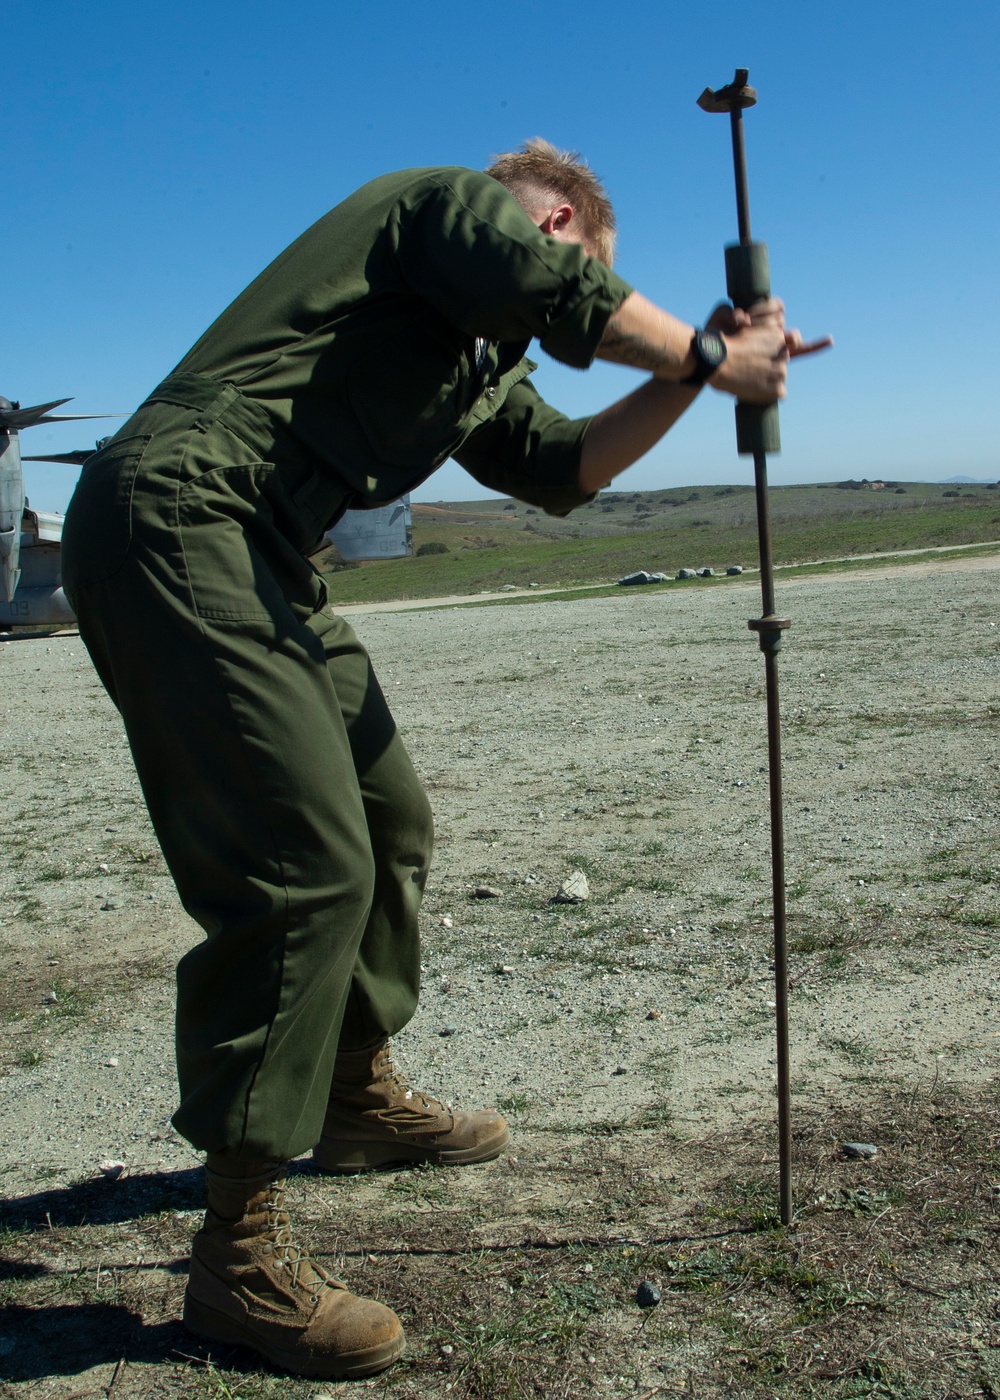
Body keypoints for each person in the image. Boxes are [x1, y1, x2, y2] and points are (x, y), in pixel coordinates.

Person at [62, 140, 828, 1379]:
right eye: (559, 257)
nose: (544, 274)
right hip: (181, 511)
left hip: (269, 552)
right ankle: (237, 1253)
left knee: (388, 815)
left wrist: (701, 378)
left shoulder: (473, 357)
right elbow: (561, 294)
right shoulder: (444, 210)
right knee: (303, 865)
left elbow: (561, 470)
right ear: (559, 219)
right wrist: (703, 350)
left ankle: (354, 1096)